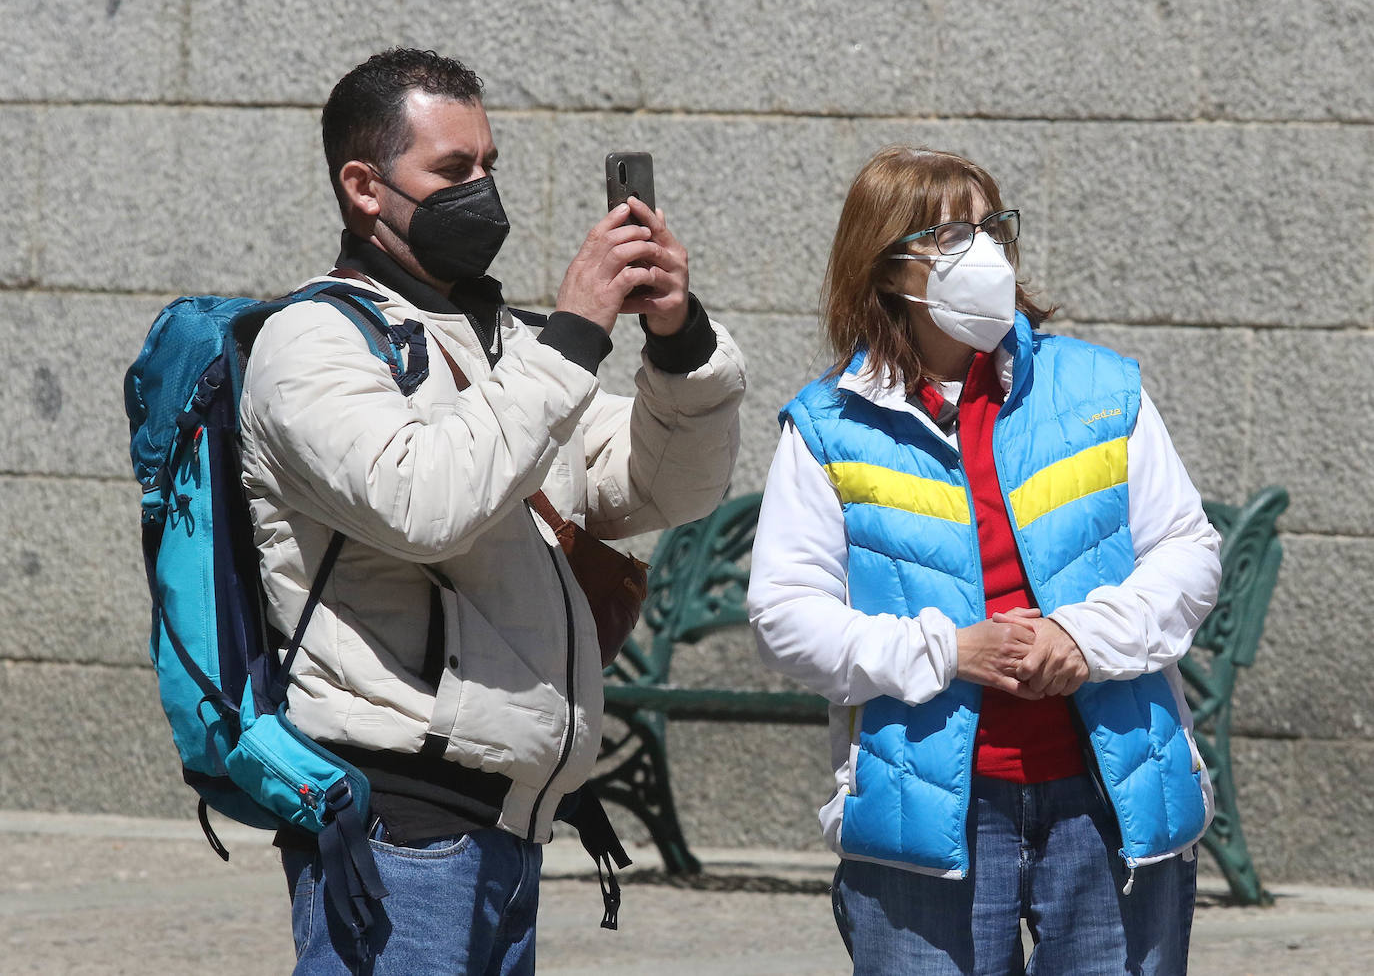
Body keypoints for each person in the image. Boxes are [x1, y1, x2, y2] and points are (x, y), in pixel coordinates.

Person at [239, 47, 745, 974]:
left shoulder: (499, 342)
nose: (483, 192)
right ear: (363, 185)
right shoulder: (308, 343)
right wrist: (574, 337)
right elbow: (427, 501)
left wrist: (680, 345)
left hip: (509, 828)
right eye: (452, 170)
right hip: (397, 827)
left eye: (490, 166)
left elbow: (660, 487)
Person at [746, 145, 1221, 975]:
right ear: (888, 267)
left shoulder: (1099, 387)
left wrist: (1082, 637)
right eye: (954, 234)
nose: (986, 252)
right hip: (929, 815)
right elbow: (786, 614)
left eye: (993, 225)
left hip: (1109, 800)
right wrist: (947, 651)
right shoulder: (828, 427)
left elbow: (1187, 551)